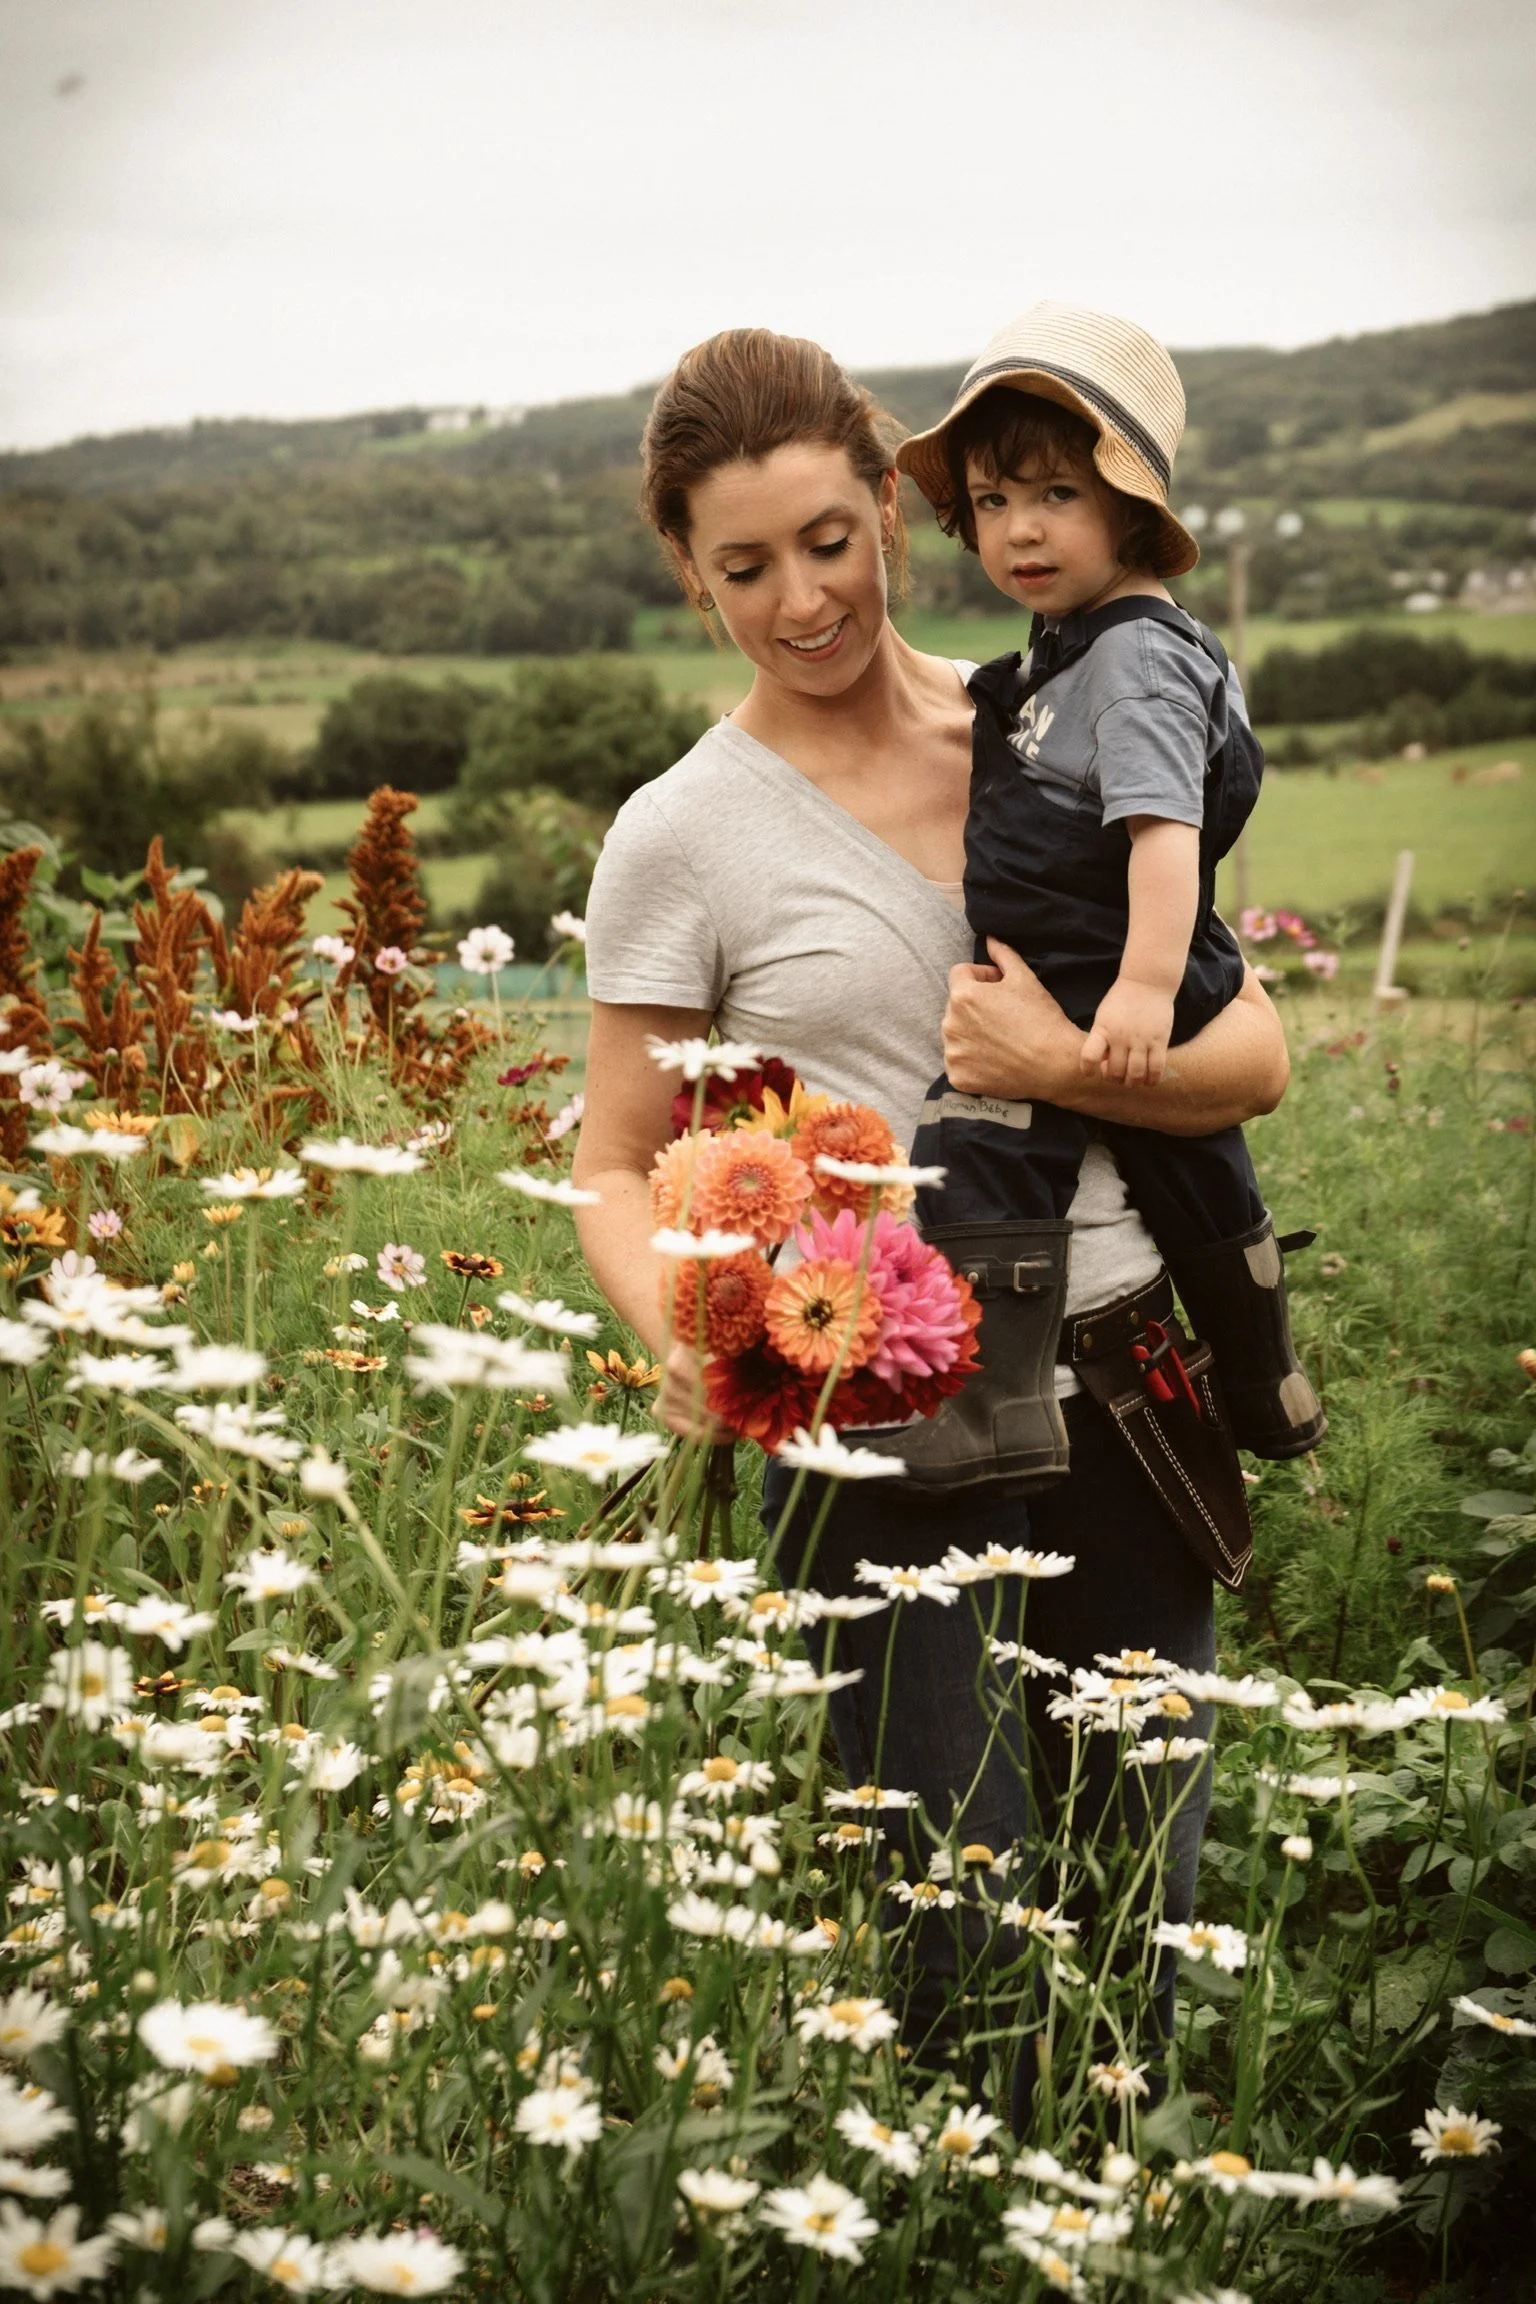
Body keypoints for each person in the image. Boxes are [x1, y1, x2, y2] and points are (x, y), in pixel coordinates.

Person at [571, 328, 1292, 2117]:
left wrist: (1068, 1059)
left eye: (830, 538)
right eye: (743, 565)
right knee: (952, 1919)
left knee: (1145, 1898)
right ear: (688, 566)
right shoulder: (680, 837)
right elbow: (613, 1157)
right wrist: (681, 1332)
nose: (800, 596)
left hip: (1125, 1375)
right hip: (871, 1413)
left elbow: (1252, 1046)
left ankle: (1118, 2207)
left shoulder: (1065, 712)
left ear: (897, 513)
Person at [869, 302, 1324, 1494]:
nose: (1020, 528)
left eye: (1057, 496)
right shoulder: (1073, 642)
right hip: (1099, 958)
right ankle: (1259, 1364)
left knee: (981, 1144)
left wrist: (1136, 993)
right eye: (994, 501)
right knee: (1189, 1165)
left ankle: (992, 1408)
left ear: (1129, 509)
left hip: (1108, 961)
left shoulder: (1130, 663)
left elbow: (1167, 839)